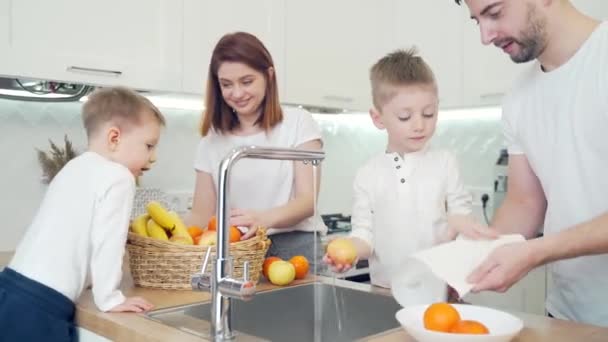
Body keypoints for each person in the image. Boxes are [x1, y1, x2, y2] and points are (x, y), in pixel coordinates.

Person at [456, 0, 608, 326]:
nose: (485, 35)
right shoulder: (519, 98)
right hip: (568, 315)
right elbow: (524, 202)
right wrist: (465, 264)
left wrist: (538, 251)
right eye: (476, 21)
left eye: (494, 13)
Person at [323, 48, 496, 301]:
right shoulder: (367, 174)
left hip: (437, 293)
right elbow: (364, 235)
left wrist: (461, 223)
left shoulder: (445, 163)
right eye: (405, 116)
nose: (419, 125)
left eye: (429, 114)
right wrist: (349, 253)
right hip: (384, 294)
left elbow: (460, 215)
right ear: (378, 118)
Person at [0, 87, 161, 341]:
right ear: (114, 138)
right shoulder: (120, 177)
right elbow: (108, 243)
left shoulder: (74, 167)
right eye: (149, 145)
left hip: (10, 287)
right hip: (42, 305)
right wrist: (109, 298)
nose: (153, 158)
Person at [187, 32, 326, 268]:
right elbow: (201, 214)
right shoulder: (212, 140)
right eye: (227, 84)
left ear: (268, 76)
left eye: (247, 81)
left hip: (295, 252)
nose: (238, 93)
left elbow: (307, 201)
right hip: (238, 253)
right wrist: (169, 235)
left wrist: (263, 219)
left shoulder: (298, 123)